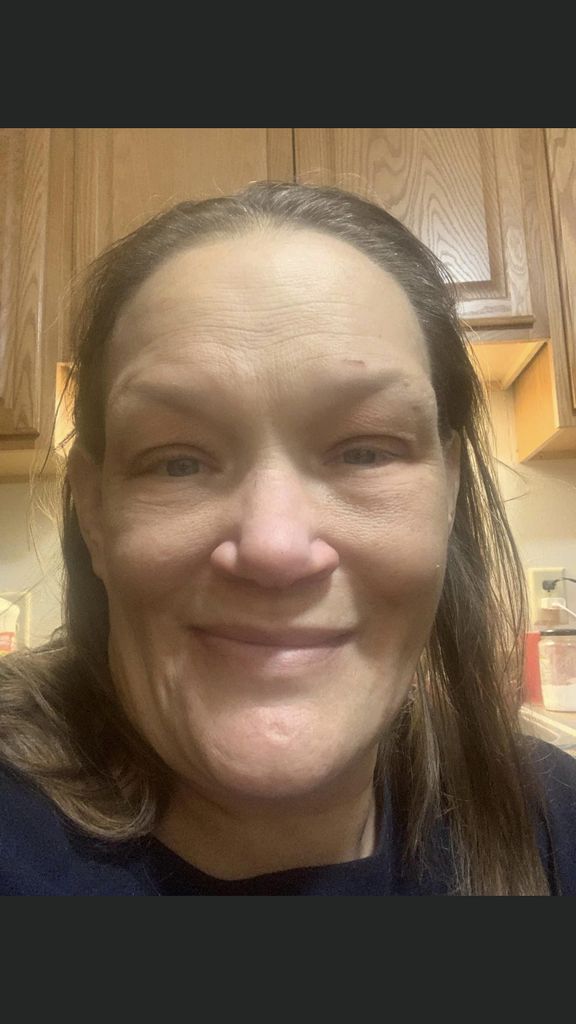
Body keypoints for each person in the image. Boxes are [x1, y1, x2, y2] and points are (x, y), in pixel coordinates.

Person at [1, 181, 575, 896]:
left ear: (449, 490)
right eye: (177, 462)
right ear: (93, 511)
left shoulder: (552, 818)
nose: (274, 548)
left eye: (364, 451)